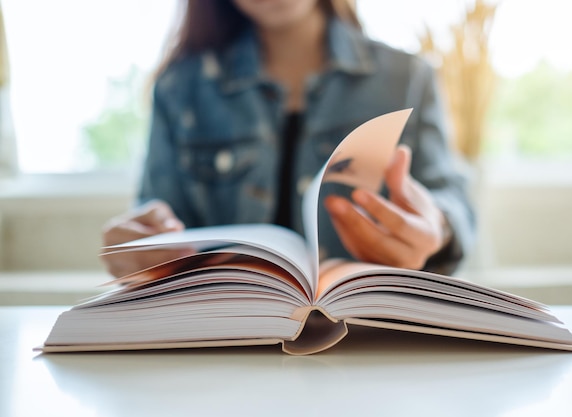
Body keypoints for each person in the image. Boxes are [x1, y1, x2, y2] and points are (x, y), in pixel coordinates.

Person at [102, 0, 475, 279]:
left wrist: (435, 227)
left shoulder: (407, 77)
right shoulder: (179, 88)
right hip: (223, 346)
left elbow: (451, 200)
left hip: (371, 342)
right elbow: (158, 217)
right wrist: (139, 246)